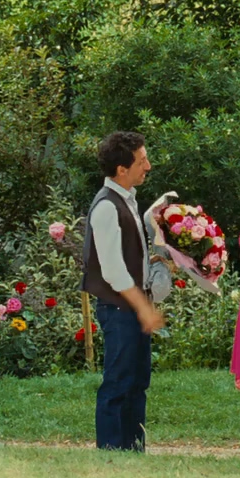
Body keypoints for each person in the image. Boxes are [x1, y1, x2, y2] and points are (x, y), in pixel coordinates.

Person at [82, 131, 165, 451]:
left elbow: (129, 256)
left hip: (131, 305)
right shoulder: (106, 207)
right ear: (121, 169)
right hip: (119, 308)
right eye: (142, 161)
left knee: (137, 382)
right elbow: (114, 271)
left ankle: (133, 449)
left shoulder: (127, 199)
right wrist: (143, 308)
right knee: (118, 383)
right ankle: (112, 452)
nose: (148, 166)